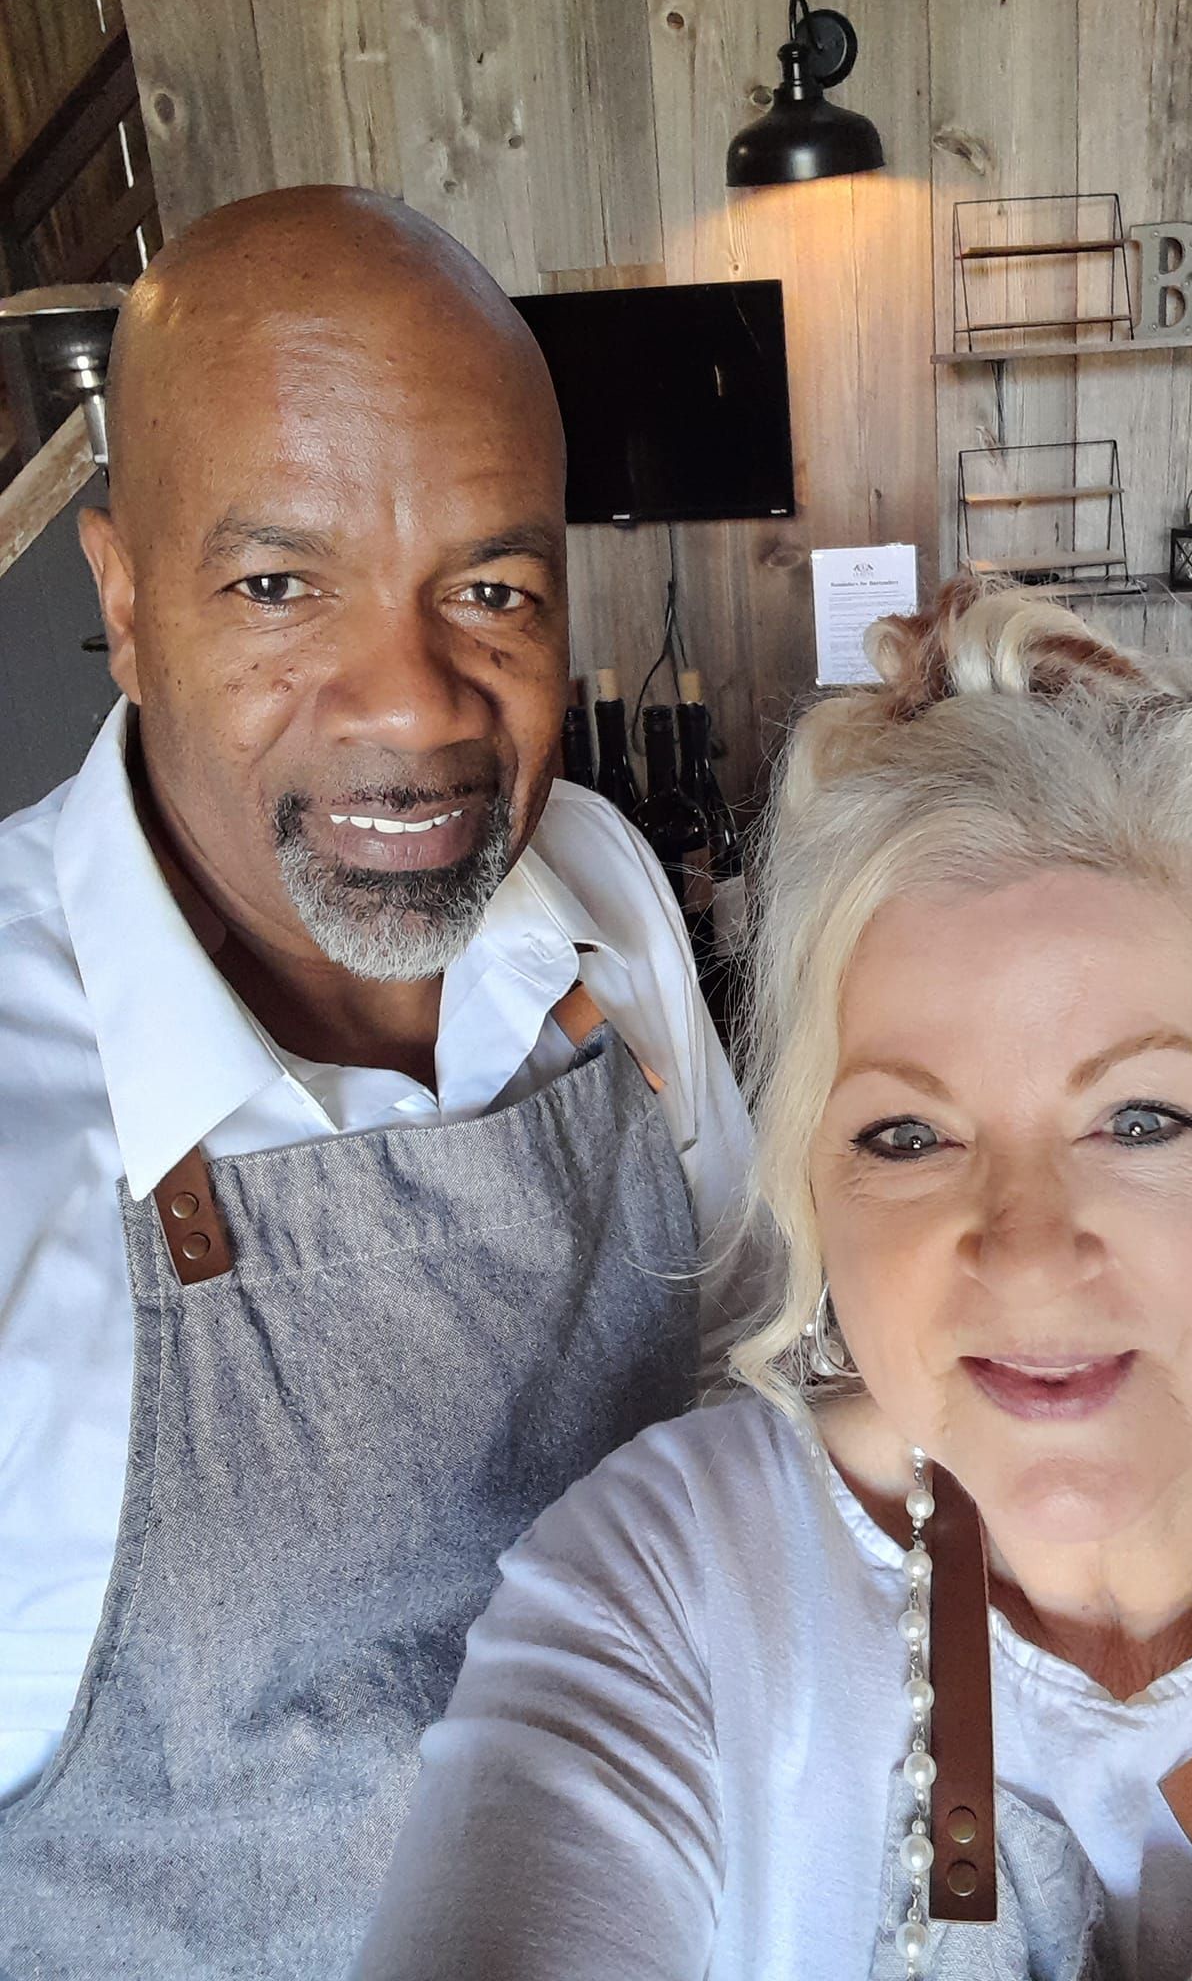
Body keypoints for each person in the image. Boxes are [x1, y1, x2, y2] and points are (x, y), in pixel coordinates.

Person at [352, 584, 1192, 1981]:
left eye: (1142, 1118)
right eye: (906, 1135)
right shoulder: (661, 1596)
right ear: (812, 1190)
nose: (1028, 1249)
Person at [0, 186, 752, 1977]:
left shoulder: (601, 892)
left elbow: (751, 1383)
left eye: (489, 589)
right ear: (121, 599)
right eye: (280, 585)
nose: (412, 706)